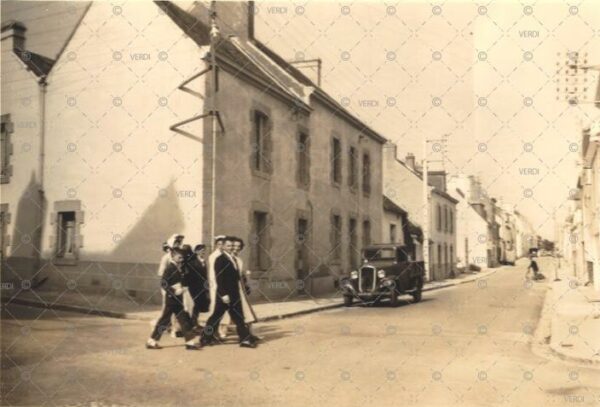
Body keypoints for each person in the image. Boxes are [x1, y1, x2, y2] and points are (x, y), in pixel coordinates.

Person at [202, 237, 256, 348]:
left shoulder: (233, 259)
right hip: (224, 294)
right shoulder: (220, 259)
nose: (231, 247)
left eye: (232, 245)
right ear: (223, 246)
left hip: (234, 293)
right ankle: (205, 338)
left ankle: (245, 340)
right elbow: (219, 278)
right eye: (228, 245)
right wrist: (223, 294)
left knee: (238, 318)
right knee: (215, 317)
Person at [146, 247, 201, 350]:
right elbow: (163, 283)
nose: (182, 259)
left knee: (184, 320)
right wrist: (174, 291)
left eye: (183, 258)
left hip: (179, 299)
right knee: (164, 320)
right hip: (172, 299)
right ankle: (152, 341)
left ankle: (190, 342)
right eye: (179, 257)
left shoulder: (178, 267)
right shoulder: (170, 267)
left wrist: (183, 287)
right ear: (173, 256)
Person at [218, 237, 258, 339]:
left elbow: (240, 275)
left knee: (245, 310)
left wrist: (245, 277)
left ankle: (249, 333)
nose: (236, 248)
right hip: (228, 289)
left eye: (238, 247)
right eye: (234, 246)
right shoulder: (226, 259)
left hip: (239, 288)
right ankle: (222, 332)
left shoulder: (239, 260)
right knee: (226, 311)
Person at [184, 244, 210, 327]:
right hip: (194, 287)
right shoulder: (192, 262)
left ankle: (194, 322)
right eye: (201, 250)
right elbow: (189, 275)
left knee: (198, 305)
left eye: (204, 251)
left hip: (202, 286)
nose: (203, 252)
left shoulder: (205, 261)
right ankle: (191, 323)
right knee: (194, 304)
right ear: (196, 251)